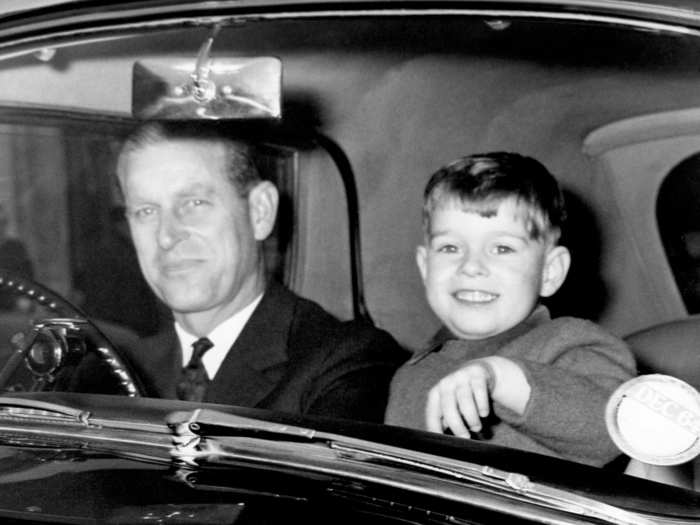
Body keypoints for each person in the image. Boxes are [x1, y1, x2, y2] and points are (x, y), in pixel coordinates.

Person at [112, 120, 406, 422]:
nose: (166, 236)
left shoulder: (345, 362)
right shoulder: (111, 372)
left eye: (194, 203)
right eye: (145, 211)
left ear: (260, 211)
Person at [384, 152, 636, 466]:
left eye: (502, 248)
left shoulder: (573, 343)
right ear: (425, 267)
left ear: (549, 272)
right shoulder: (411, 374)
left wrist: (501, 379)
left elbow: (612, 428)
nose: (471, 266)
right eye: (450, 247)